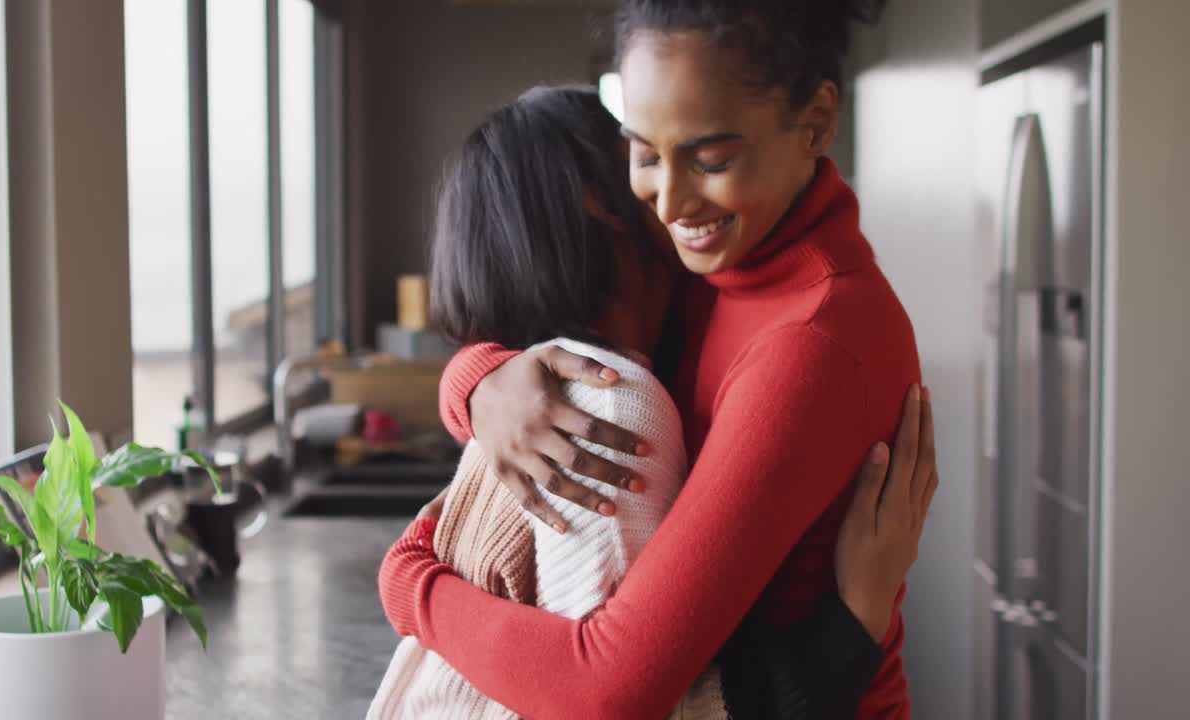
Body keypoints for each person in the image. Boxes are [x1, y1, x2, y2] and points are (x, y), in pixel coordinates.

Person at [377, 5, 931, 708]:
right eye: (643, 153)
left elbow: (607, 694)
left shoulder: (808, 338)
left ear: (817, 122)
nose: (668, 203)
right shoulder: (722, 267)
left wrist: (408, 584)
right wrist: (478, 381)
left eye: (712, 158)